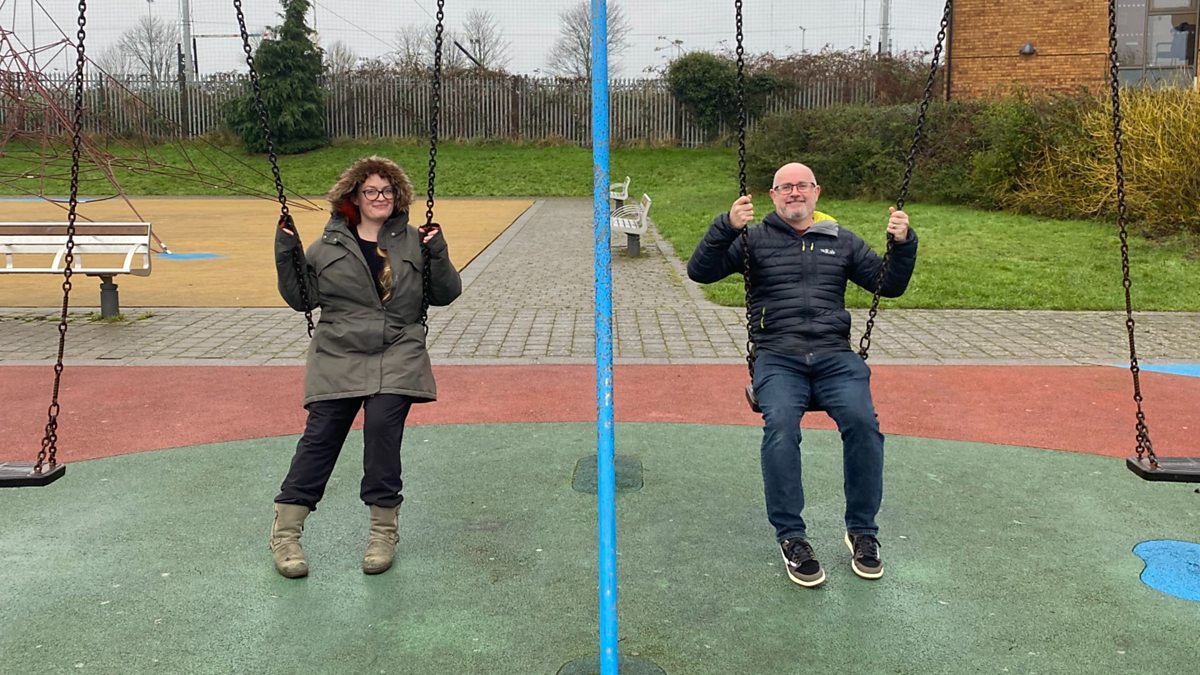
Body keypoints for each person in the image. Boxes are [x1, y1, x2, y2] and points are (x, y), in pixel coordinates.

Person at [687, 162, 917, 588]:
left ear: (816, 192)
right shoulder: (753, 239)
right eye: (785, 187)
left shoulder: (842, 240)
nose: (794, 192)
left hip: (834, 356)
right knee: (780, 427)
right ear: (773, 196)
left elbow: (888, 285)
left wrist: (902, 243)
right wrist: (726, 226)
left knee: (864, 425)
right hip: (778, 356)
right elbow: (700, 270)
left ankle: (862, 531)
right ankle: (792, 537)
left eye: (802, 186)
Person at [269, 155, 462, 578]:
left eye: (387, 190)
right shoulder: (326, 247)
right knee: (321, 436)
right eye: (371, 190)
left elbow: (446, 293)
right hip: (339, 350)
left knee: (381, 431)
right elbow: (303, 299)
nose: (380, 197)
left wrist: (438, 250)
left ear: (398, 197)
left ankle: (382, 534)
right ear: (354, 196)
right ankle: (286, 534)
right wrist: (287, 250)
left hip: (398, 348)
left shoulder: (415, 241)